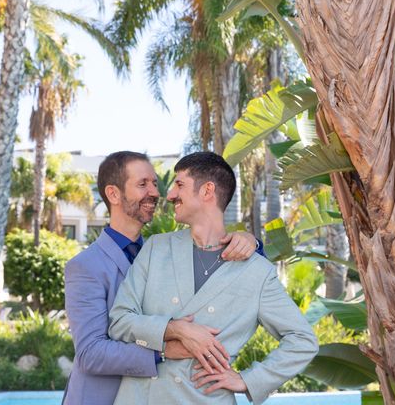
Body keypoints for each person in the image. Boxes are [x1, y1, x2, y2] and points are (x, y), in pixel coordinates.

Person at [108, 152, 318, 405]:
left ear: (207, 191)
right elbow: (119, 322)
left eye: (180, 185)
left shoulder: (256, 272)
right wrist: (175, 329)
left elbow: (303, 340)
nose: (171, 194)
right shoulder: (156, 248)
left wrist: (248, 380)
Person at [62, 151, 261, 405]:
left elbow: (218, 253)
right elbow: (91, 354)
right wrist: (165, 350)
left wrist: (251, 242)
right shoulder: (85, 266)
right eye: (143, 184)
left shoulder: (164, 251)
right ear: (113, 194)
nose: (155, 193)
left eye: (155, 183)